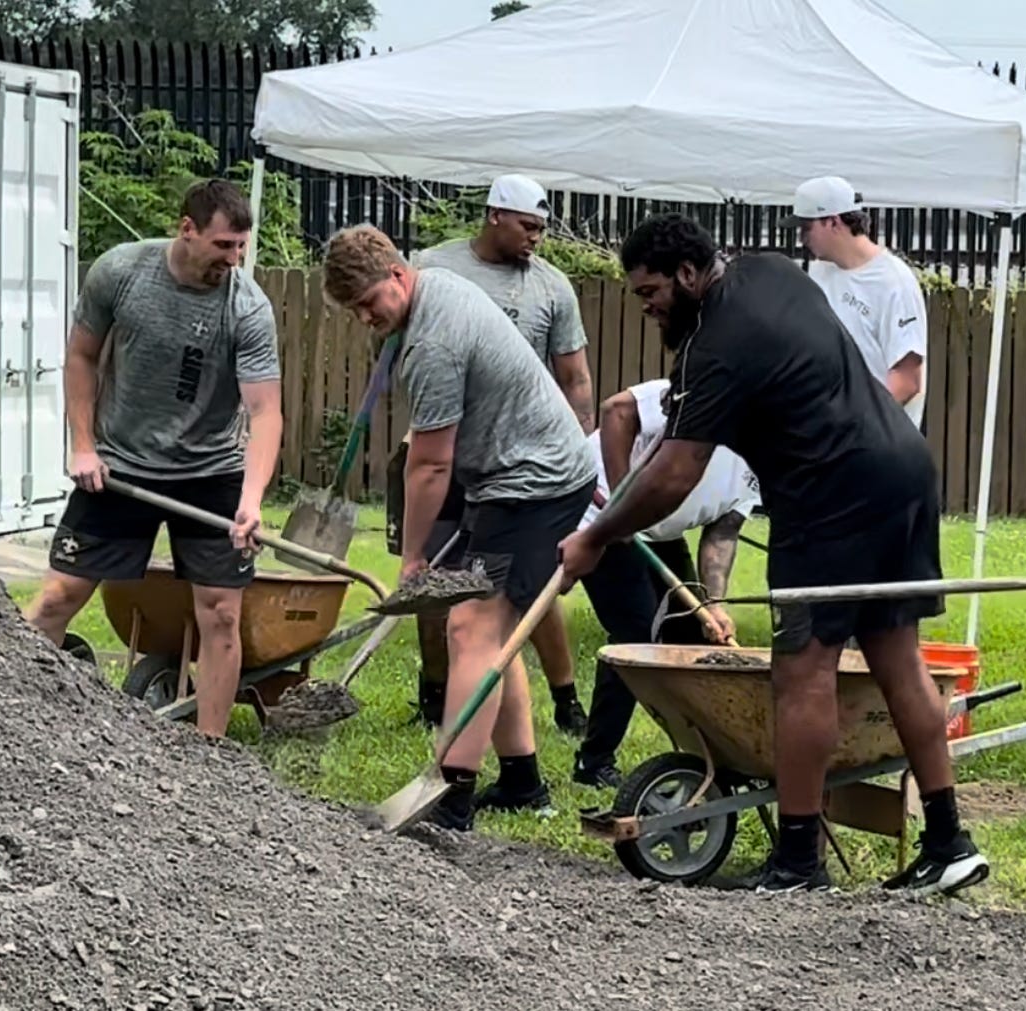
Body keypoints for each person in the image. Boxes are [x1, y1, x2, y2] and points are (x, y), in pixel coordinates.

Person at [557, 213, 988, 895]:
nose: (647, 308)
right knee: (896, 656)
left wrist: (593, 535)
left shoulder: (719, 344)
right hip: (901, 468)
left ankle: (797, 861)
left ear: (689, 274)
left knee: (801, 670)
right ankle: (948, 842)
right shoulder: (769, 269)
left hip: (831, 493)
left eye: (650, 293)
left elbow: (674, 473)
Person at [322, 223, 596, 832]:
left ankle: (451, 798)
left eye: (369, 302)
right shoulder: (436, 288)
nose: (366, 318)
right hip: (509, 479)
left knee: (472, 625)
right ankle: (522, 780)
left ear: (397, 274)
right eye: (355, 311)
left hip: (536, 484)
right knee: (485, 631)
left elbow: (430, 464)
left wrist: (413, 558)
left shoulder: (432, 344)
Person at [22, 179, 282, 740]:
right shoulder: (120, 272)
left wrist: (252, 500)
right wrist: (83, 446)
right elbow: (81, 357)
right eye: (223, 245)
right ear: (187, 229)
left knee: (220, 615)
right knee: (55, 599)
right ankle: (4, 719)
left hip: (210, 472)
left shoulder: (248, 308)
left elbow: (265, 413)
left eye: (241, 246)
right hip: (118, 467)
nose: (234, 259)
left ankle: (211, 754)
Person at [389, 174, 596, 736]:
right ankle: (438, 696)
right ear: (495, 216)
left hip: (525, 463)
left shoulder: (551, 286)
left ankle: (565, 697)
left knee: (518, 592)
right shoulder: (435, 266)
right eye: (528, 226)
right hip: (448, 449)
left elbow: (575, 378)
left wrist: (583, 447)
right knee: (438, 583)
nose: (537, 239)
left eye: (542, 229)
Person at [571, 377, 760, 788]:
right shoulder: (706, 393)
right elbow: (616, 410)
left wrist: (713, 604)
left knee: (692, 636)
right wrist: (622, 501)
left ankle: (706, 757)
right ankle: (594, 760)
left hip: (657, 529)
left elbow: (722, 533)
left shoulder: (763, 460)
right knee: (635, 636)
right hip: (599, 514)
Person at [790, 176, 928, 430]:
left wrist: (853, 426)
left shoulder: (893, 282)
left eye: (806, 227)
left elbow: (907, 379)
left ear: (833, 222)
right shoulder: (821, 271)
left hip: (878, 444)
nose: (801, 238)